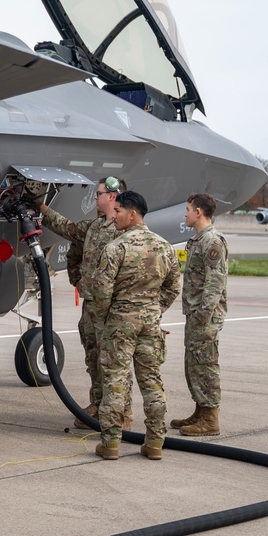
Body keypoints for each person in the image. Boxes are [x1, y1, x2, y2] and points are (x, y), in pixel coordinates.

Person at [89, 191, 181, 460]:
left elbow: (101, 291)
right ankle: (154, 444)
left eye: (118, 211)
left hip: (119, 324)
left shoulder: (117, 247)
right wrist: (152, 309)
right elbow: (173, 287)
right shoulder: (165, 246)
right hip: (151, 324)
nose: (113, 216)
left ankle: (111, 444)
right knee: (152, 382)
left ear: (133, 214)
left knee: (115, 383)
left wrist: (110, 316)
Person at [37, 177, 133, 430]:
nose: (95, 197)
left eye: (99, 193)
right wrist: (40, 207)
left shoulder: (127, 230)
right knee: (94, 357)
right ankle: (99, 403)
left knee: (116, 360)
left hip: (114, 308)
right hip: (92, 307)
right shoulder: (94, 227)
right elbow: (66, 229)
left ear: (112, 196)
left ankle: (122, 410)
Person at [171, 193, 228, 436]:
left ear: (199, 212)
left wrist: (203, 316)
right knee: (194, 365)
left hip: (205, 316)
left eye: (188, 209)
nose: (185, 213)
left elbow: (215, 285)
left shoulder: (212, 241)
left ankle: (211, 420)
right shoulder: (197, 240)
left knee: (205, 365)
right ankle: (201, 411)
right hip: (196, 314)